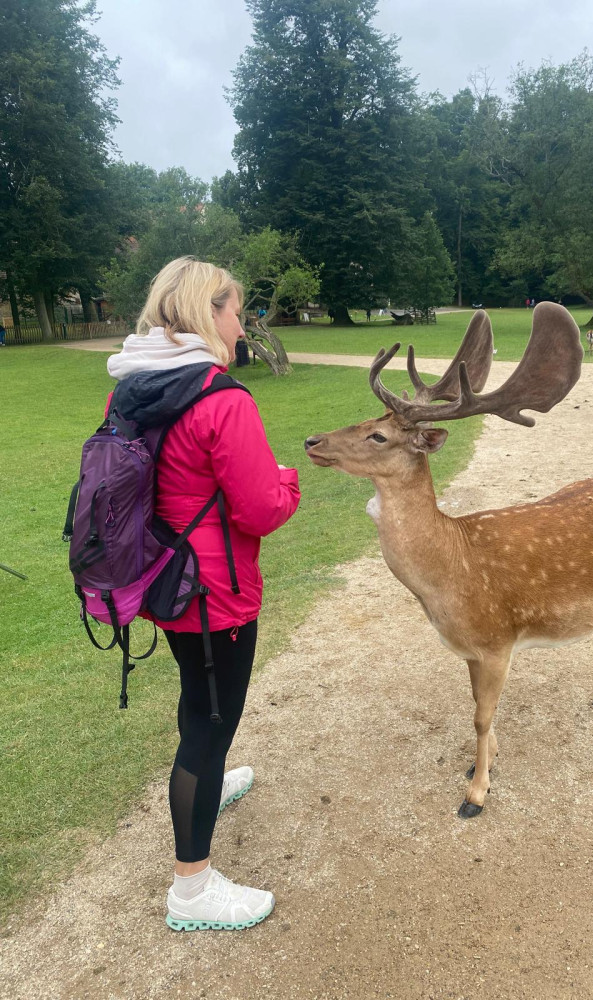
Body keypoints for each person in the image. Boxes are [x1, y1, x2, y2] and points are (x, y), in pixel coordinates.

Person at [106, 258, 300, 931]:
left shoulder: (130, 388)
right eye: (234, 308)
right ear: (204, 312)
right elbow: (260, 509)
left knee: (199, 704)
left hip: (160, 579)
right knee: (210, 727)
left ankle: (207, 790)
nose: (241, 323)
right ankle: (191, 889)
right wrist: (288, 480)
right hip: (215, 592)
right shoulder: (221, 398)